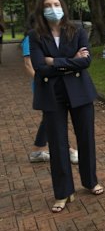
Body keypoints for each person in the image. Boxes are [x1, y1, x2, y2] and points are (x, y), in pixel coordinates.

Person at [29, 0, 104, 214]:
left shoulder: (77, 30)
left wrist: (55, 61)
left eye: (56, 4)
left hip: (80, 92)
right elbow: (39, 66)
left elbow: (87, 61)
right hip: (52, 95)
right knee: (57, 143)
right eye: (48, 5)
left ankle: (90, 181)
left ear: (63, 6)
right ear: (41, 10)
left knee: (86, 139)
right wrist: (72, 61)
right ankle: (63, 192)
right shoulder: (35, 36)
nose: (53, 8)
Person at [22, 14, 78, 164]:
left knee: (49, 116)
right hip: (44, 85)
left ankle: (37, 150)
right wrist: (42, 81)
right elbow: (28, 64)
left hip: (52, 83)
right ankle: (69, 149)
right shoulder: (31, 38)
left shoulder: (47, 38)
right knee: (54, 117)